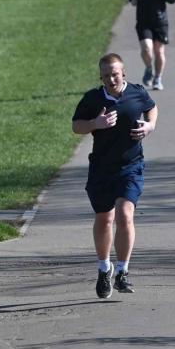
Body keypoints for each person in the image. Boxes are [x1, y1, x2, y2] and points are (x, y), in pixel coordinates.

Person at [72, 53, 157, 299]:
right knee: (104, 219)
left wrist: (149, 126)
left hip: (130, 166)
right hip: (101, 168)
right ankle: (103, 268)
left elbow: (152, 108)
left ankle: (122, 271)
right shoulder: (93, 98)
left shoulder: (137, 93)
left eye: (115, 74)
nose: (111, 79)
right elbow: (76, 125)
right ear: (101, 76)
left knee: (124, 214)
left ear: (123, 74)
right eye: (106, 75)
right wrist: (95, 124)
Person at [127, 0, 175, 91]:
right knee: (146, 49)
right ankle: (149, 68)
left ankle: (158, 78)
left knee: (159, 52)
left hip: (160, 21)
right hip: (143, 19)